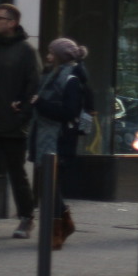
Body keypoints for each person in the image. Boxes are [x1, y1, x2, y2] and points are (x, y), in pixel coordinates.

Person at [0, 4, 42, 240]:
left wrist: (22, 116)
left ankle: (26, 217)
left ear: (12, 23)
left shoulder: (26, 52)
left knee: (17, 173)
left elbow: (34, 88)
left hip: (13, 127)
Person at [29, 38, 89, 249]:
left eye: (51, 53)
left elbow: (69, 112)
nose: (47, 57)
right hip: (45, 138)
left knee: (51, 187)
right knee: (50, 187)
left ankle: (57, 232)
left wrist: (41, 104)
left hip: (59, 140)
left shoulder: (70, 79)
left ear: (60, 57)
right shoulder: (51, 76)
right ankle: (63, 225)